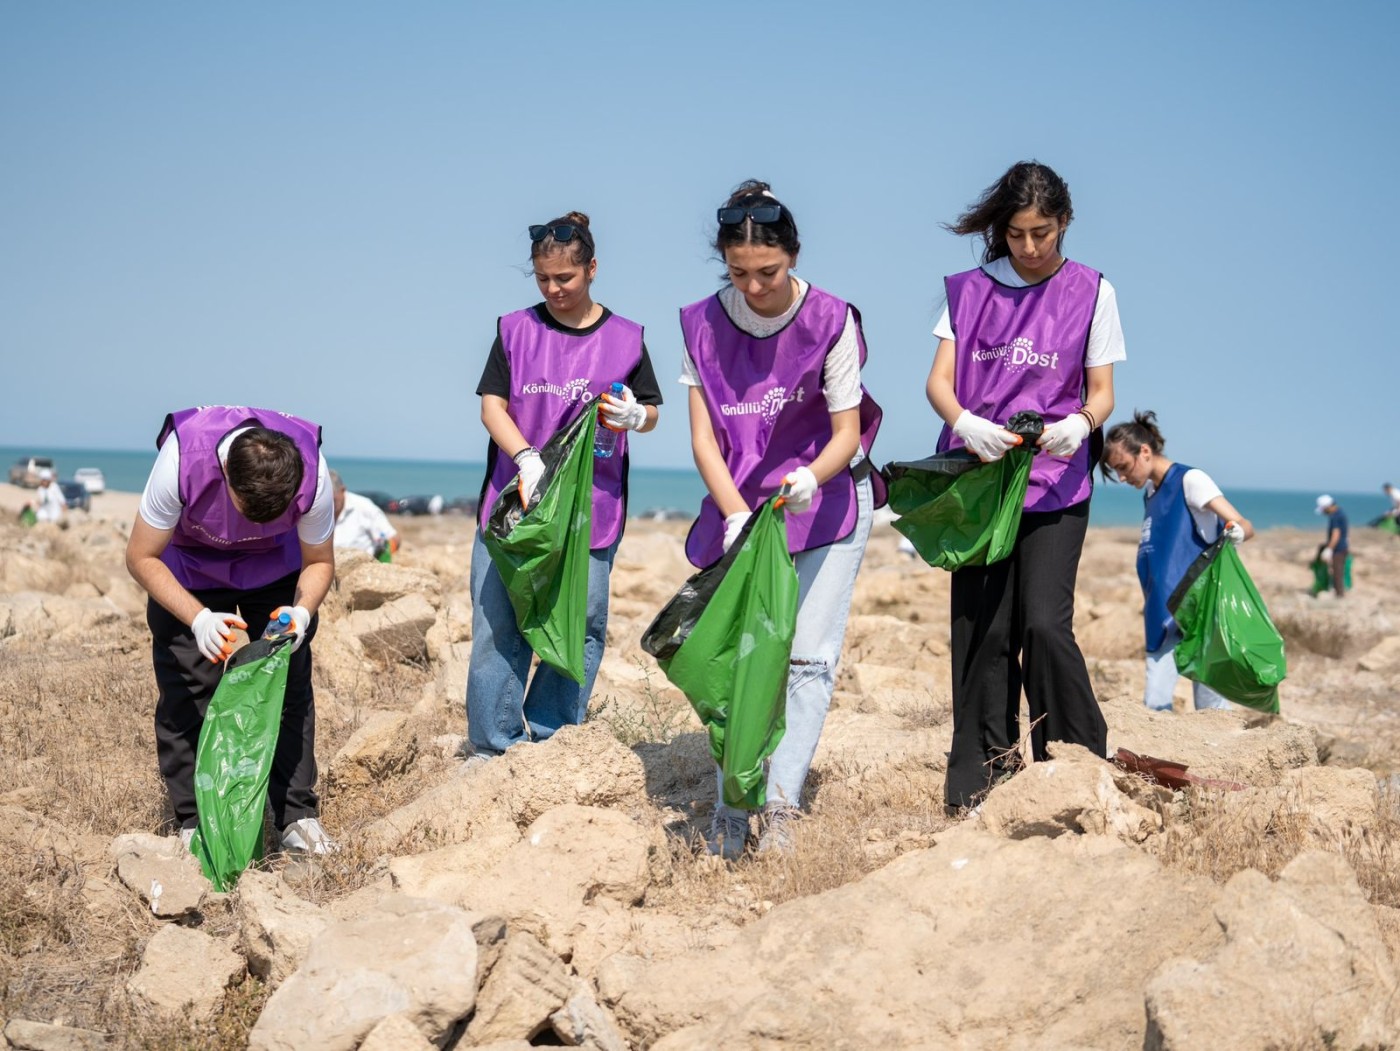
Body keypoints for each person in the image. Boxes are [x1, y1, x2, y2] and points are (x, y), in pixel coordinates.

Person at [680, 180, 885, 857]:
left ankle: (783, 804)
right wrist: (736, 512)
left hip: (823, 503)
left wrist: (809, 476)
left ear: (792, 256)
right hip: (744, 510)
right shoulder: (699, 324)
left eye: (767, 272)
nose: (754, 285)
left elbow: (846, 432)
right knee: (742, 662)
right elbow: (705, 438)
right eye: (738, 273)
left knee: (806, 658)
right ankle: (731, 806)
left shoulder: (832, 320)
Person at [926, 160, 1124, 812]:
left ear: (1063, 222)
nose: (1031, 247)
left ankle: (1075, 765)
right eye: (1016, 234)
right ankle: (981, 785)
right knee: (983, 634)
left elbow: (1102, 394)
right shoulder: (965, 290)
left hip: (1056, 484)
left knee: (1042, 622)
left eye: (1042, 232)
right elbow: (939, 383)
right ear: (1000, 231)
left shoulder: (1094, 292)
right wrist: (965, 423)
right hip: (982, 482)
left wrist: (1081, 425)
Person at [467, 212, 662, 757]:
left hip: (589, 512)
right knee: (496, 628)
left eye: (565, 279)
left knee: (580, 627)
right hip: (515, 505)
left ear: (592, 269)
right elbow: (492, 406)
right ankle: (491, 748)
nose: (553, 290)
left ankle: (551, 737)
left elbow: (651, 411)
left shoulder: (626, 339)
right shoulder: (514, 330)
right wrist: (526, 456)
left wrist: (636, 419)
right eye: (543, 279)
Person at [124, 406, 339, 854]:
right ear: (224, 474)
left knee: (287, 685)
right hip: (188, 566)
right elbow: (140, 557)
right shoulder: (181, 461)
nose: (254, 527)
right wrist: (198, 618)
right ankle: (193, 820)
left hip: (276, 569)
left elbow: (319, 561)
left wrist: (302, 613)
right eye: (248, 513)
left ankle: (297, 816)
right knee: (188, 688)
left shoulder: (314, 476)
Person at [1102, 411, 1254, 712]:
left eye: (1123, 467)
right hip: (1161, 612)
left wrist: (1235, 532)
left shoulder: (1190, 480)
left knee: (1212, 709)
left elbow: (1243, 524)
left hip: (1200, 611)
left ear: (1144, 451)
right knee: (1154, 705)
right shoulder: (1150, 493)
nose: (1122, 477)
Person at [330, 470, 398, 559]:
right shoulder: (315, 510)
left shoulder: (364, 507)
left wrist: (383, 559)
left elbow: (393, 538)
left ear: (342, 490)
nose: (329, 504)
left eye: (333, 500)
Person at [1315, 494, 1349, 596]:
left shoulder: (1335, 517)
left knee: (1337, 572)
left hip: (1338, 549)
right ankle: (1337, 592)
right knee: (1337, 571)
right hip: (1342, 546)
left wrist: (1329, 549)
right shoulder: (1340, 513)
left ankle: (1339, 595)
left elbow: (1336, 534)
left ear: (1327, 507)